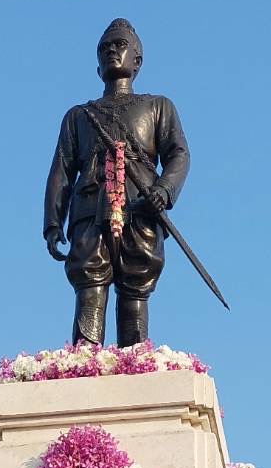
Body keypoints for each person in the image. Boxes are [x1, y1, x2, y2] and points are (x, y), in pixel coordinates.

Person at [44, 18, 190, 347]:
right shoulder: (79, 116)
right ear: (97, 66)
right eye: (104, 47)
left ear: (137, 60)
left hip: (141, 205)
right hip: (90, 206)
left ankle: (135, 360)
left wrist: (164, 190)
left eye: (119, 45)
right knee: (90, 281)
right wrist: (53, 223)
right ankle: (83, 362)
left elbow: (179, 155)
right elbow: (61, 171)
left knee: (136, 284)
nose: (111, 50)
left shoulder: (157, 107)